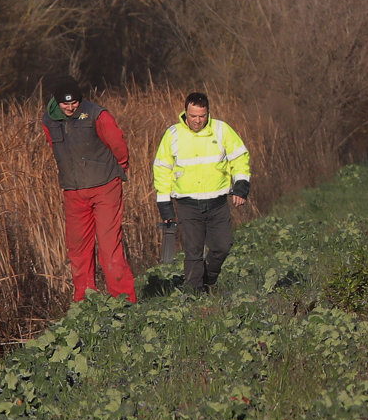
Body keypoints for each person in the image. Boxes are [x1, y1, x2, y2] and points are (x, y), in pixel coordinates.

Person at [40, 77, 137, 304]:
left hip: (105, 186)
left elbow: (117, 143)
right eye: (65, 104)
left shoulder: (97, 114)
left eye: (74, 101)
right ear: (56, 102)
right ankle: (85, 301)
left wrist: (121, 167)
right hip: (73, 191)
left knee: (108, 246)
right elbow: (56, 148)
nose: (71, 107)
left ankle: (123, 299)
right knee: (78, 248)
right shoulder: (48, 120)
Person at [152, 92, 251, 293]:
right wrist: (165, 205)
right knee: (193, 252)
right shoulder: (172, 135)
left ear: (208, 113)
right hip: (188, 204)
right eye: (193, 116)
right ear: (185, 113)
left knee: (222, 247)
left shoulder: (222, 130)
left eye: (202, 116)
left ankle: (209, 280)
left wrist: (240, 186)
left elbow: (240, 158)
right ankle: (194, 295)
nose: (197, 121)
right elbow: (162, 169)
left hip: (218, 203)